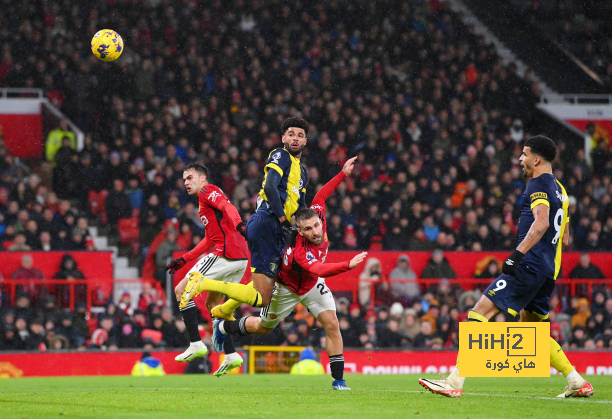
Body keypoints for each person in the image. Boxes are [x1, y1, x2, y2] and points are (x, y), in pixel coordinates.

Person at [419, 135, 594, 399]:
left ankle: (455, 380)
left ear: (536, 159)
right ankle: (576, 380)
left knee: (478, 313)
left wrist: (517, 255)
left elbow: (542, 222)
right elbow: (565, 237)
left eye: (524, 154)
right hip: (548, 269)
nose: (520, 159)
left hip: (529, 264)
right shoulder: (561, 189)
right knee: (532, 332)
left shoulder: (538, 183)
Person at [210, 157, 367, 390]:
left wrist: (343, 173)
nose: (315, 231)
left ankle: (339, 381)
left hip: (312, 284)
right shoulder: (299, 252)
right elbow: (318, 268)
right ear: (300, 232)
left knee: (332, 323)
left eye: (316, 225)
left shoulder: (317, 214)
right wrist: (347, 264)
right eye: (308, 229)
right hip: (287, 289)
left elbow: (321, 195)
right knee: (264, 327)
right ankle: (224, 327)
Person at [165, 163, 260, 376]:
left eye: (190, 178)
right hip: (238, 258)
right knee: (214, 306)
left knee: (181, 290)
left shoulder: (209, 190)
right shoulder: (203, 202)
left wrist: (239, 225)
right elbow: (210, 238)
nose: (186, 183)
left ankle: (195, 342)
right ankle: (231, 354)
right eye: (184, 179)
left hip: (226, 254)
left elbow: (228, 207)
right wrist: (185, 258)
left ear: (202, 177)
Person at [210, 117, 309, 319]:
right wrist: (283, 220)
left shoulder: (303, 173)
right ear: (283, 138)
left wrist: (306, 228)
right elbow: (270, 187)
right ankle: (204, 283)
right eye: (291, 134)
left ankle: (225, 309)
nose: (295, 138)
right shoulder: (280, 155)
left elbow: (301, 206)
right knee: (263, 297)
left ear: (306, 141)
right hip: (268, 222)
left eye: (300, 135)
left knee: (268, 284)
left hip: (278, 228)